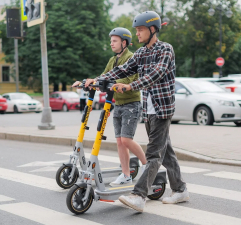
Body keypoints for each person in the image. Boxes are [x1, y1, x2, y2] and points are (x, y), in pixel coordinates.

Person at [85, 11, 189, 212]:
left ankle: (139, 195)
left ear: (152, 30)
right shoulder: (141, 53)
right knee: (165, 152)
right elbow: (122, 70)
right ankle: (180, 189)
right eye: (136, 30)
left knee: (153, 155)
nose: (137, 34)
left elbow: (155, 75)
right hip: (149, 110)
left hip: (162, 109)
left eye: (140, 30)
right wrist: (98, 80)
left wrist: (130, 87)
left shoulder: (165, 50)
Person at [73, 27, 147, 186]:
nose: (111, 43)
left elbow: (131, 80)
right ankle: (126, 175)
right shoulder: (113, 60)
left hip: (131, 104)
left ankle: (148, 166)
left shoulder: (131, 58)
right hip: (118, 104)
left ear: (124, 42)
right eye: (111, 41)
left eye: (114, 41)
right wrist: (92, 81)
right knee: (120, 141)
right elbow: (104, 76)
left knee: (126, 140)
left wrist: (114, 84)